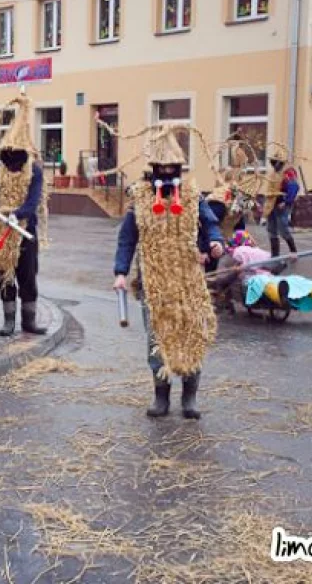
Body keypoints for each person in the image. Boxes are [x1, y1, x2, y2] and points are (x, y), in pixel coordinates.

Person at [113, 127, 224, 420]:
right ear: (153, 168)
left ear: (179, 167)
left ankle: (189, 396)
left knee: (191, 332)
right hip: (153, 282)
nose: (165, 172)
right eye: (160, 167)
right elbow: (127, 239)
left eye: (171, 167)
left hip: (188, 280)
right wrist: (120, 272)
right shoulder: (140, 198)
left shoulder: (191, 195)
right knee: (157, 337)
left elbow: (210, 223)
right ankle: (161, 395)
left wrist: (215, 243)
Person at [0, 92, 48, 337]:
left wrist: (18, 214)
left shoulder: (35, 172)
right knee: (4, 276)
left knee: (27, 276)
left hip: (25, 232)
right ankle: (8, 320)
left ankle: (29, 321)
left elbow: (33, 201)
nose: (11, 163)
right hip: (1, 232)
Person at [221, 230, 312, 310]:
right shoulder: (235, 253)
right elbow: (225, 278)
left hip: (269, 277)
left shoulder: (256, 252)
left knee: (296, 280)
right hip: (251, 281)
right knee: (264, 282)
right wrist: (237, 270)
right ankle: (281, 296)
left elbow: (274, 267)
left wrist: (286, 260)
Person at [263, 149, 298, 257]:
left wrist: (286, 201)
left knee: (282, 228)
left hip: (282, 205)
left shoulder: (288, 172)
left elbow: (294, 187)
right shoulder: (273, 173)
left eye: (276, 162)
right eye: (272, 162)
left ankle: (293, 250)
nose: (274, 164)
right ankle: (275, 254)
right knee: (271, 229)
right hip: (272, 203)